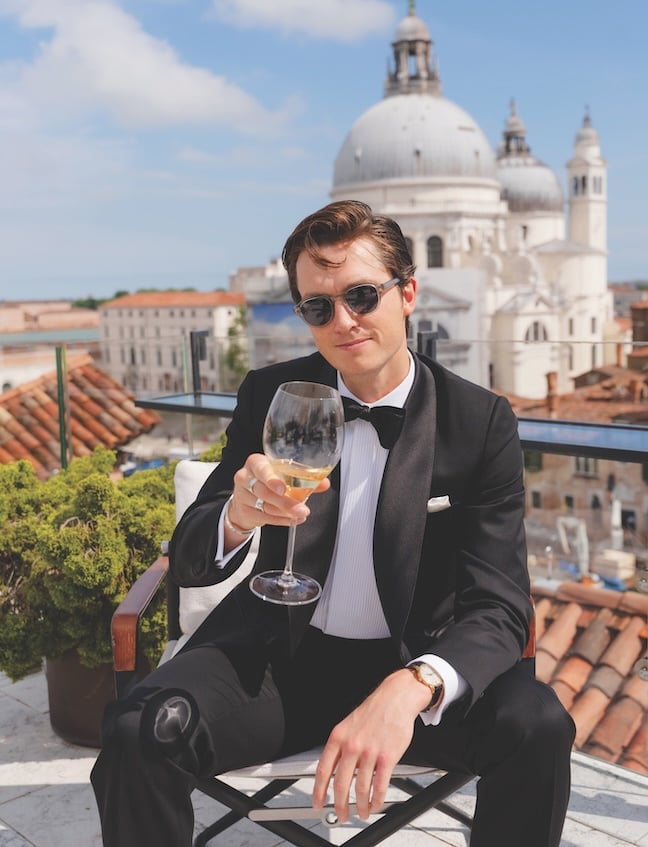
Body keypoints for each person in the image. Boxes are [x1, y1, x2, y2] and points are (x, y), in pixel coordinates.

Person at [91, 200, 575, 846]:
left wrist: (414, 685)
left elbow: (500, 602)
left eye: (362, 295)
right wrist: (236, 516)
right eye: (318, 306)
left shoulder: (479, 420)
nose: (342, 320)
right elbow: (190, 557)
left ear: (408, 293)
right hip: (280, 660)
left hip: (417, 660)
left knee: (538, 724)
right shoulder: (272, 392)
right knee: (136, 730)